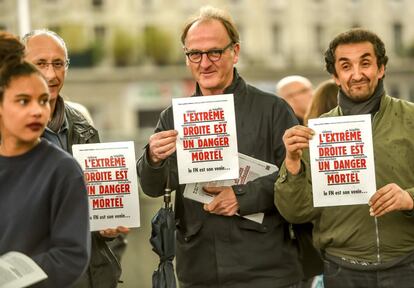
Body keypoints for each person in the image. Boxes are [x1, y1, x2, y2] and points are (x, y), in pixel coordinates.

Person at [137, 6, 311, 288]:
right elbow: (153, 187)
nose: (205, 63)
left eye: (214, 52)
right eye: (195, 53)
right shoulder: (172, 116)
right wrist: (152, 159)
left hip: (267, 271)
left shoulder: (273, 109)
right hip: (199, 271)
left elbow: (299, 180)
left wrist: (241, 196)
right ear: (187, 57)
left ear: (235, 52)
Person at [275, 28, 414, 288]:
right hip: (342, 270)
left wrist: (410, 197)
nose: (357, 74)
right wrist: (292, 163)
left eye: (365, 63)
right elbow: (296, 212)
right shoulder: (316, 133)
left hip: (407, 266)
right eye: (346, 66)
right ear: (336, 77)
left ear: (381, 68)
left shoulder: (411, 118)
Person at [22, 29, 128, 288]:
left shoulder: (83, 125)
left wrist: (108, 228)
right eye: (41, 64)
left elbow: (102, 203)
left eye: (59, 64)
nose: (51, 74)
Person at [0, 31, 90, 287]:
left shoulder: (64, 170)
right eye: (23, 101)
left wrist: (7, 277)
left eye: (42, 101)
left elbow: (71, 256)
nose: (37, 111)